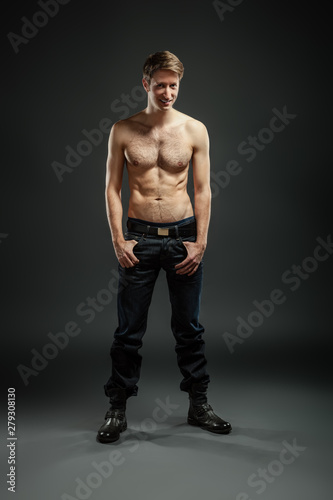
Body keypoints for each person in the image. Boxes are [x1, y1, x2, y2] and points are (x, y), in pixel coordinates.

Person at [97, 51, 231, 443]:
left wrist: (200, 242)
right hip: (137, 239)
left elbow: (203, 189)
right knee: (128, 332)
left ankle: (198, 405)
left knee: (189, 328)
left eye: (174, 85)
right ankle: (117, 408)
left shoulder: (194, 130)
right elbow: (111, 188)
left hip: (182, 238)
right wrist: (118, 239)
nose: (168, 92)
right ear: (146, 84)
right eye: (161, 85)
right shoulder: (123, 129)